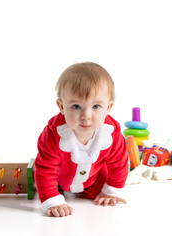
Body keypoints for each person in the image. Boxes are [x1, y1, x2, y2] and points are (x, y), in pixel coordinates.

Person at [34, 62, 128, 217]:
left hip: (93, 178)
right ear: (62, 106)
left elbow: (119, 162)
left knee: (98, 192)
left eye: (96, 106)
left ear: (108, 107)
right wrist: (51, 199)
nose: (86, 115)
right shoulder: (53, 133)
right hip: (60, 178)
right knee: (44, 183)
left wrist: (111, 190)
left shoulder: (111, 133)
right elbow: (46, 167)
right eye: (76, 106)